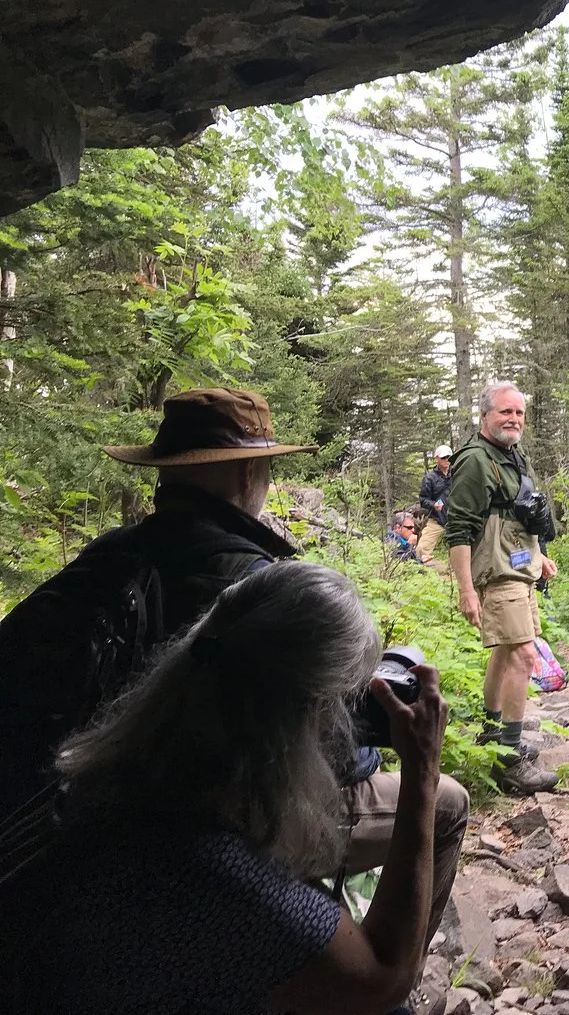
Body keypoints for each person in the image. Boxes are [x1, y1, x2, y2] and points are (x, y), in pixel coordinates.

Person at [0, 387, 470, 942]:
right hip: (198, 831)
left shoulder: (104, 558)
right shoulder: (257, 588)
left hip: (69, 821)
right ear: (250, 471)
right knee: (447, 804)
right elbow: (334, 756)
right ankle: (366, 980)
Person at [2, 563, 450, 1014]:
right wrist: (422, 771)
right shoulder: (226, 880)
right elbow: (382, 979)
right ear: (301, 718)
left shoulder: (122, 776)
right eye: (342, 703)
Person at [445, 380, 559, 794]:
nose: (513, 419)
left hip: (520, 568)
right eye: (505, 412)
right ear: (485, 416)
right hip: (496, 573)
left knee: (507, 652)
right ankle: (510, 760)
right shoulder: (475, 460)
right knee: (524, 654)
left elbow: (515, 514)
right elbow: (459, 530)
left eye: (519, 413)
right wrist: (466, 590)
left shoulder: (511, 454)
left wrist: (538, 554)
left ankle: (494, 737)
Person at [415, 444, 453, 563]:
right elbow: (423, 500)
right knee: (421, 550)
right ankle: (426, 575)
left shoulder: (457, 474)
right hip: (437, 520)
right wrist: (433, 505)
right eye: (443, 457)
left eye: (449, 457)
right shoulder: (430, 478)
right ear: (436, 459)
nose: (447, 460)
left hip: (455, 519)